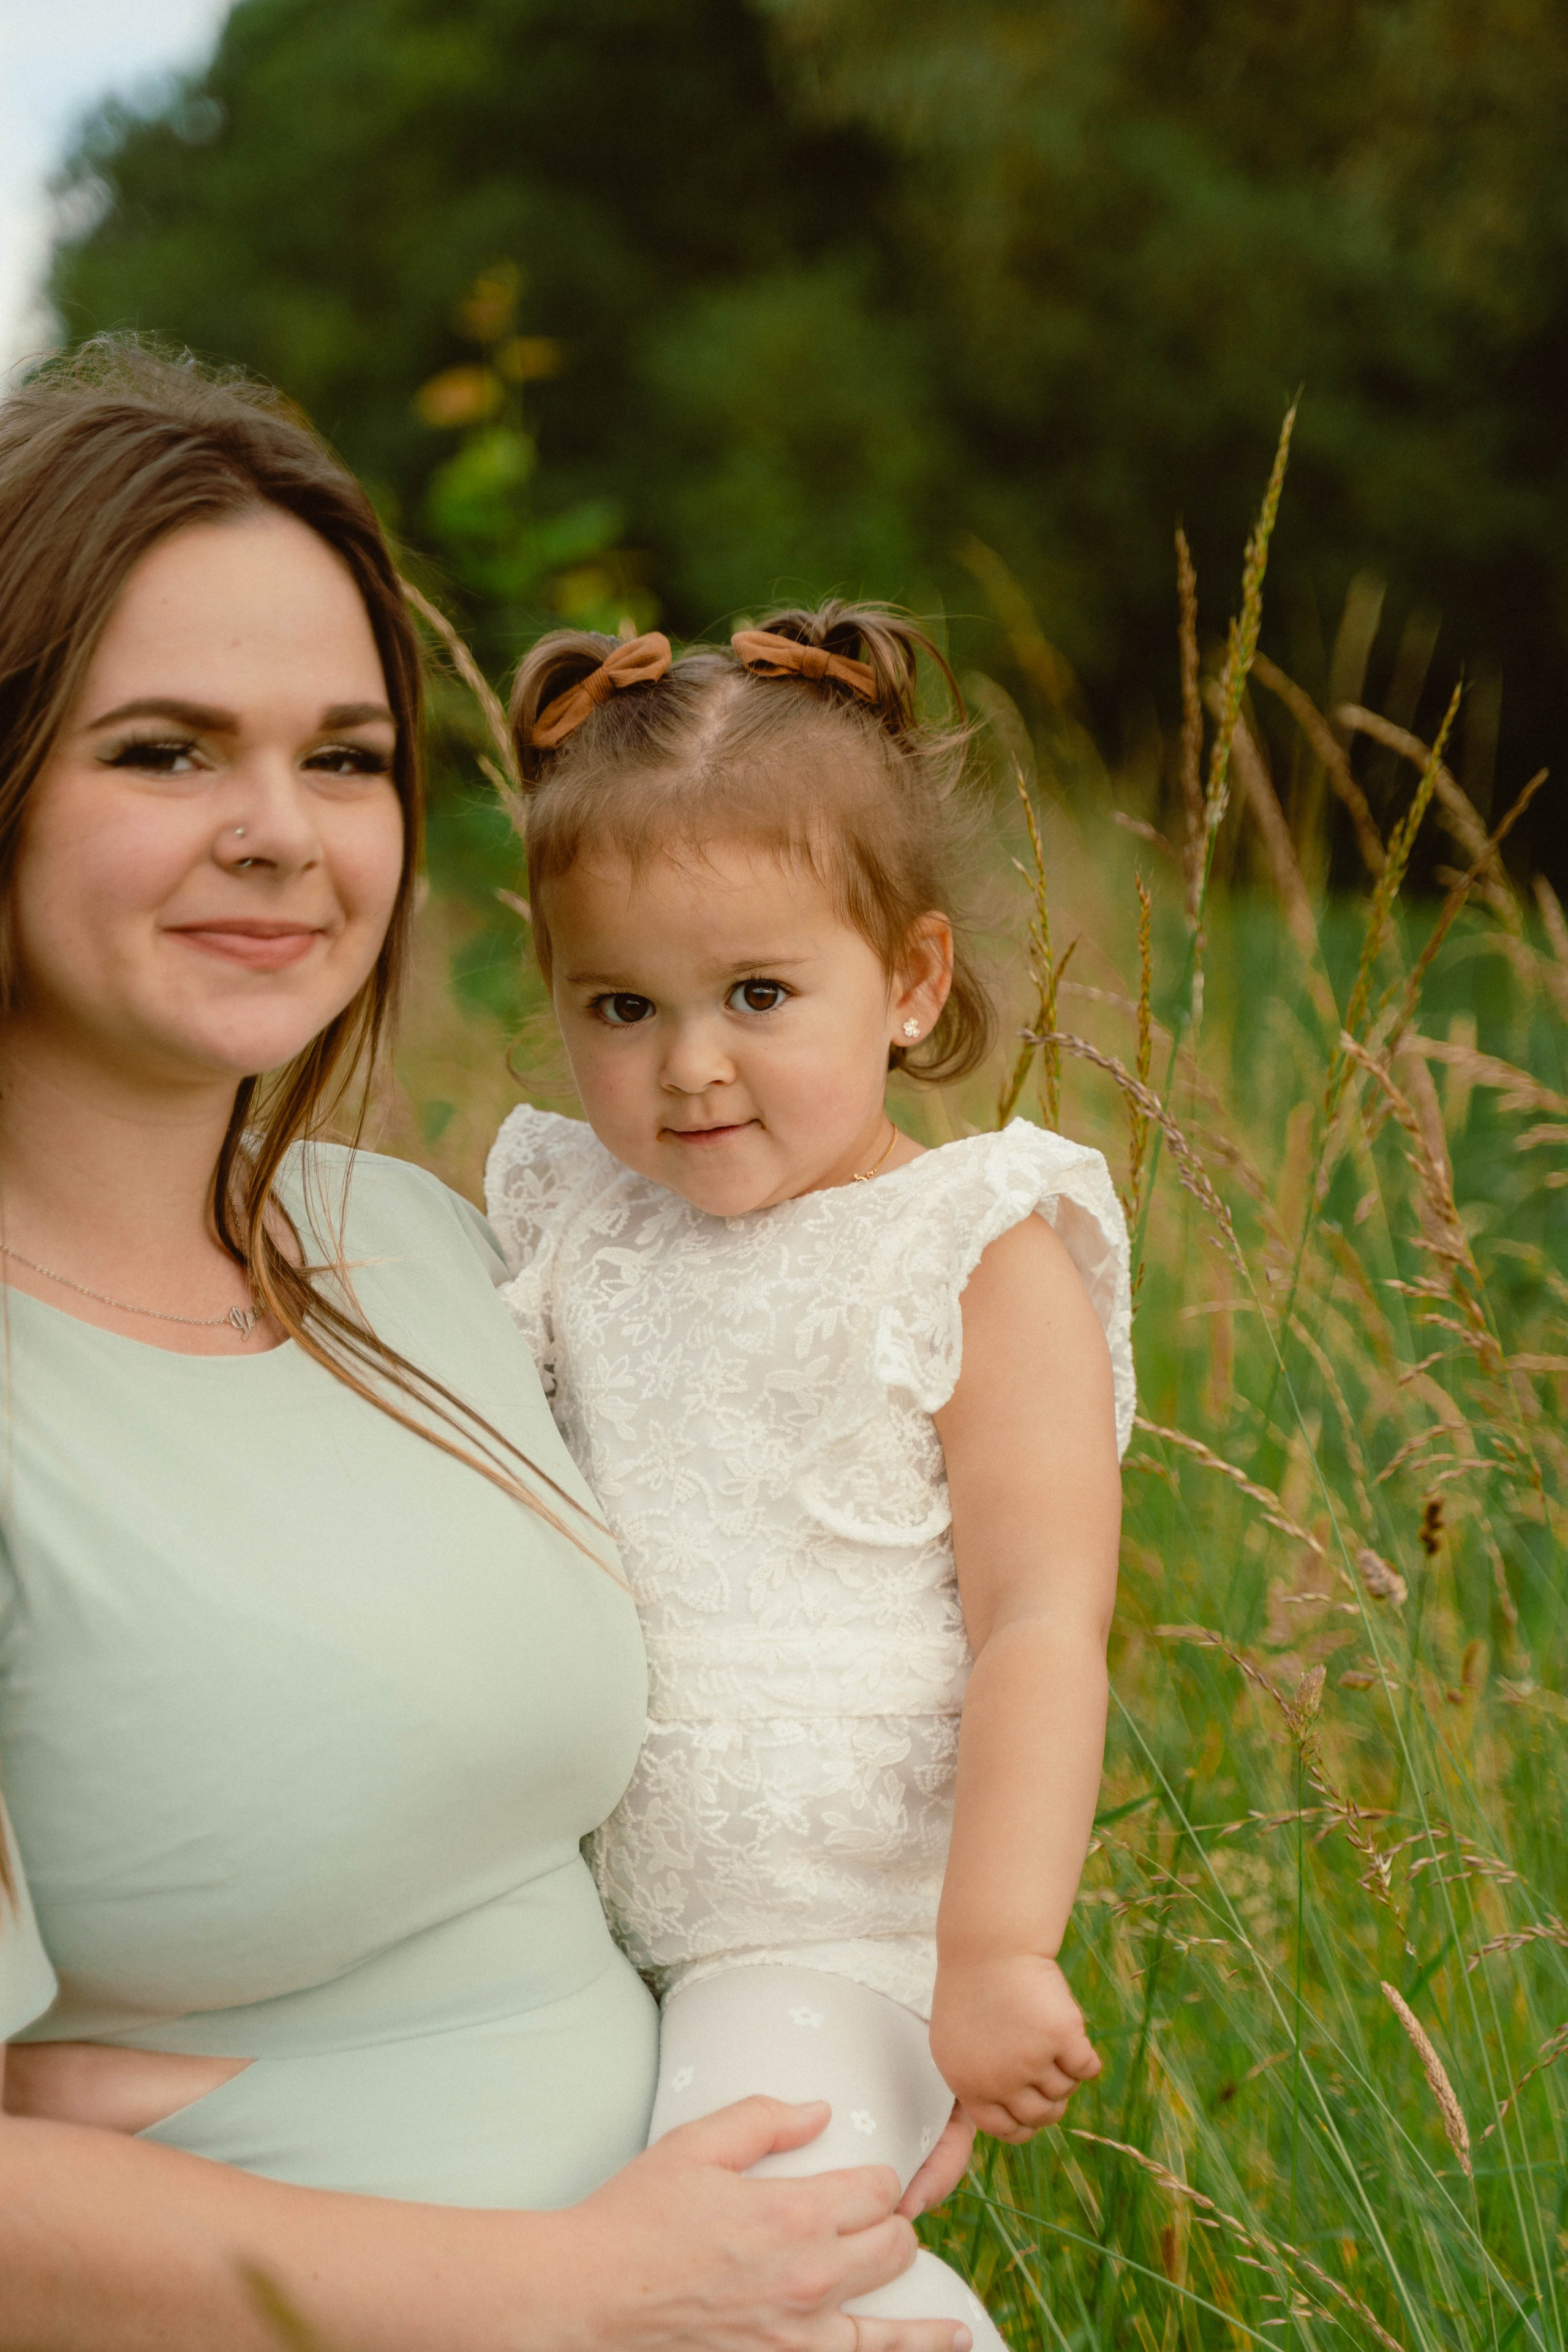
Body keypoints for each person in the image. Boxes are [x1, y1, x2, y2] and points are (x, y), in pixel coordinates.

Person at [0, 345, 974, 2352]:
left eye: (345, 757)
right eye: (167, 751)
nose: (281, 833)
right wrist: (593, 2284)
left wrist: (859, 2013)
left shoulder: (429, 1249)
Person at [485, 608, 1134, 2343]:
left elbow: (1039, 1624)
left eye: (759, 995)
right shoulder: (575, 1214)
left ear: (910, 981)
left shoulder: (975, 1247)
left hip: (842, 1934)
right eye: (621, 1005)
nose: (689, 1065)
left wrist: (992, 1954)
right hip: (576, 1921)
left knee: (761, 2259)